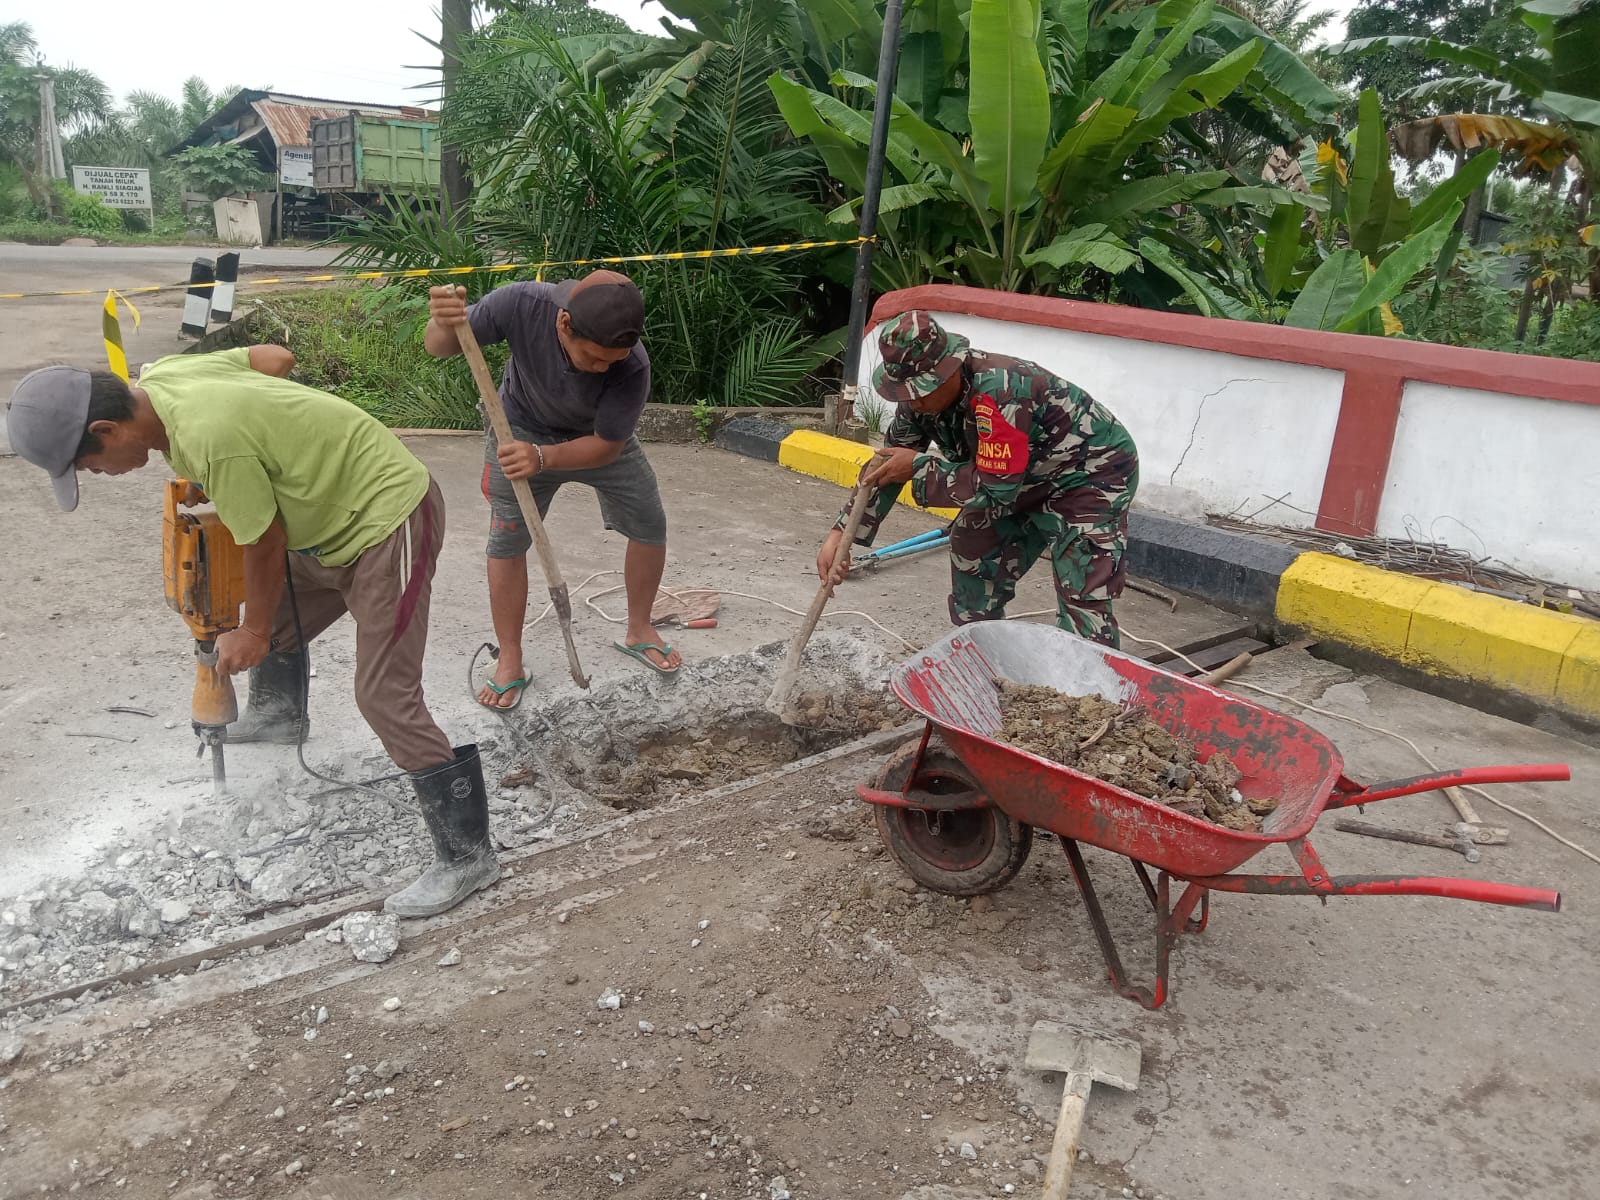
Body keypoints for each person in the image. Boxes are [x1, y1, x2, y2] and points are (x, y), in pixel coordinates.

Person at [4, 351, 498, 919]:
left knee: (382, 695)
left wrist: (254, 628)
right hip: (324, 528)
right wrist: (274, 438)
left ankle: (467, 857)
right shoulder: (164, 378)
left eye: (89, 465)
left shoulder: (211, 434)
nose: (97, 475)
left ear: (106, 430)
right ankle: (281, 714)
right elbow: (277, 358)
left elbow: (263, 541)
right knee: (265, 622)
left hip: (388, 522)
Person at [424, 270, 680, 709]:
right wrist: (444, 321)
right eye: (594, 358)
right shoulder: (520, 304)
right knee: (506, 539)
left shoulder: (631, 364)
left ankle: (640, 628)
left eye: (612, 362)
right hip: (517, 429)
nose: (603, 368)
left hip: (594, 441)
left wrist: (543, 458)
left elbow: (606, 446)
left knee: (649, 523)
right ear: (564, 324)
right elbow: (441, 347)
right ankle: (511, 658)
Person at [816, 311, 1140, 646]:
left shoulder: (1000, 392)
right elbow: (887, 466)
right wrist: (842, 532)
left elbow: (997, 488)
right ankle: (981, 651)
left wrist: (918, 468)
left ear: (950, 368)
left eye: (923, 389)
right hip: (1020, 476)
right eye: (906, 392)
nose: (915, 400)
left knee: (1082, 581)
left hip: (1090, 474)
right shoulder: (917, 403)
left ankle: (1092, 684)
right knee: (972, 542)